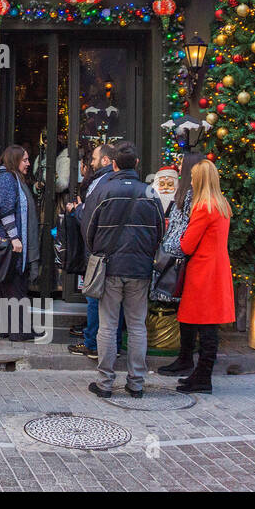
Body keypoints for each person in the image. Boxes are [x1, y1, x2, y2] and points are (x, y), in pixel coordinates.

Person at [84, 140, 165, 398]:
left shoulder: (103, 191)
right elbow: (160, 232)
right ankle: (136, 383)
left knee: (107, 325)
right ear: (137, 164)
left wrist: (97, 251)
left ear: (114, 164)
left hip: (109, 266)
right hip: (140, 269)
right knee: (137, 325)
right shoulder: (150, 193)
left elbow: (88, 228)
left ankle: (106, 382)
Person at [170, 160, 235, 393]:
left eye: (194, 178)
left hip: (203, 272)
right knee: (203, 323)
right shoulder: (222, 205)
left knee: (205, 326)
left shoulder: (203, 207)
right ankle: (199, 373)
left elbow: (187, 245)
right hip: (216, 269)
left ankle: (203, 378)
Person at [0, 145, 39, 341]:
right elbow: (5, 211)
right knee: (14, 285)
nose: (28, 164)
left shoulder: (9, 178)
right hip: (8, 243)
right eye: (25, 160)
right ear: (14, 160)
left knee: (3, 285)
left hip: (6, 243)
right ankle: (19, 331)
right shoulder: (6, 179)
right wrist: (15, 238)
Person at [155, 151, 208, 376]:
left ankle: (185, 358)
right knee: (183, 311)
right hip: (179, 256)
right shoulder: (186, 192)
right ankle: (184, 357)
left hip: (181, 259)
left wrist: (168, 249)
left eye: (181, 164)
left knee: (186, 311)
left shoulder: (191, 194)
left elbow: (183, 228)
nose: (178, 166)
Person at [66, 142, 117, 358]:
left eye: (94, 159)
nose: (92, 162)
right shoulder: (110, 180)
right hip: (108, 250)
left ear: (105, 160)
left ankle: (93, 344)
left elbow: (90, 217)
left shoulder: (102, 182)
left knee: (94, 297)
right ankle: (104, 343)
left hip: (98, 251)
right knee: (110, 301)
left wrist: (77, 210)